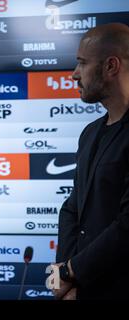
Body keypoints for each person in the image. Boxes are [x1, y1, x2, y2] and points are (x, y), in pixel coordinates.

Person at [52, 23, 129, 300]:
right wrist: (64, 274)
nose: (74, 75)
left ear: (111, 66)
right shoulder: (90, 132)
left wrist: (70, 272)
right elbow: (73, 207)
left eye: (82, 63)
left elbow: (126, 225)